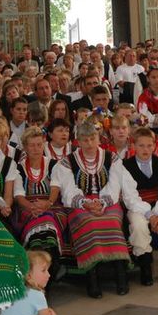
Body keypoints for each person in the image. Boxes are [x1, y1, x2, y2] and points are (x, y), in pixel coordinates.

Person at [50, 122, 130, 298]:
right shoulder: (67, 162)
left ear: (99, 138)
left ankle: (120, 273)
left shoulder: (112, 158)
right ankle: (92, 277)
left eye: (92, 138)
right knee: (88, 222)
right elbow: (69, 190)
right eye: (84, 140)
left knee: (112, 221)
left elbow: (114, 185)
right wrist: (85, 203)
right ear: (78, 141)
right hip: (79, 205)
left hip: (108, 201)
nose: (89, 143)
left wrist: (102, 202)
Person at [104, 127, 158, 285]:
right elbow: (130, 197)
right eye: (141, 145)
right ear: (133, 146)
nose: (145, 149)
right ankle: (146, 267)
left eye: (149, 146)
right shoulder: (125, 166)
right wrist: (150, 215)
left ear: (154, 146)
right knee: (138, 226)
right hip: (137, 207)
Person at [6, 127, 66, 276]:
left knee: (47, 222)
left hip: (51, 206)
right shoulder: (18, 168)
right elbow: (18, 196)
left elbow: (55, 188)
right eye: (32, 145)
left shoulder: (53, 165)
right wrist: (32, 207)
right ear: (25, 147)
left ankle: (45, 272)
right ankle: (50, 268)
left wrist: (48, 203)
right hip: (27, 208)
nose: (36, 149)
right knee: (43, 226)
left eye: (39, 145)